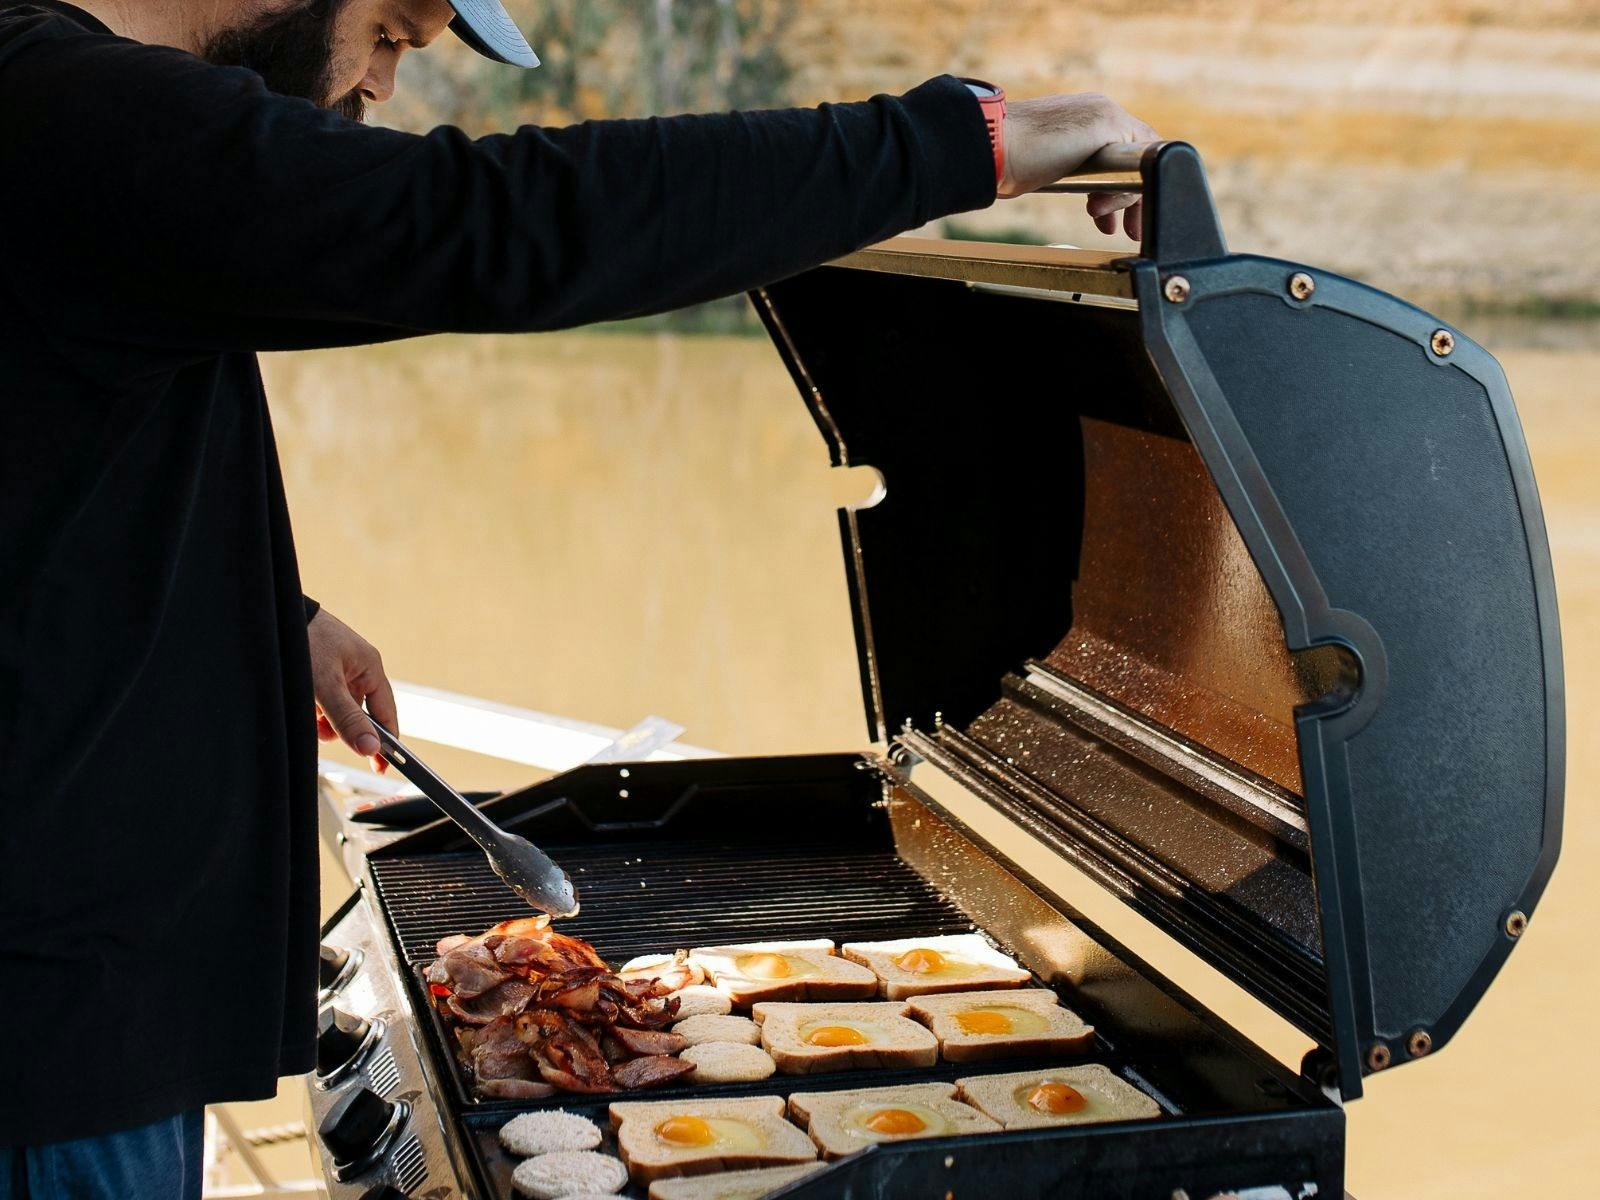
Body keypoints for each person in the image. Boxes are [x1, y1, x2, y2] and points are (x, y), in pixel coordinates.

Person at [0, 0, 1155, 1190]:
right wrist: (968, 145)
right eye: (395, 29)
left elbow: (61, 454)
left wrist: (262, 610)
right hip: (45, 1043)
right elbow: (487, 220)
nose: (384, 85)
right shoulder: (56, 103)